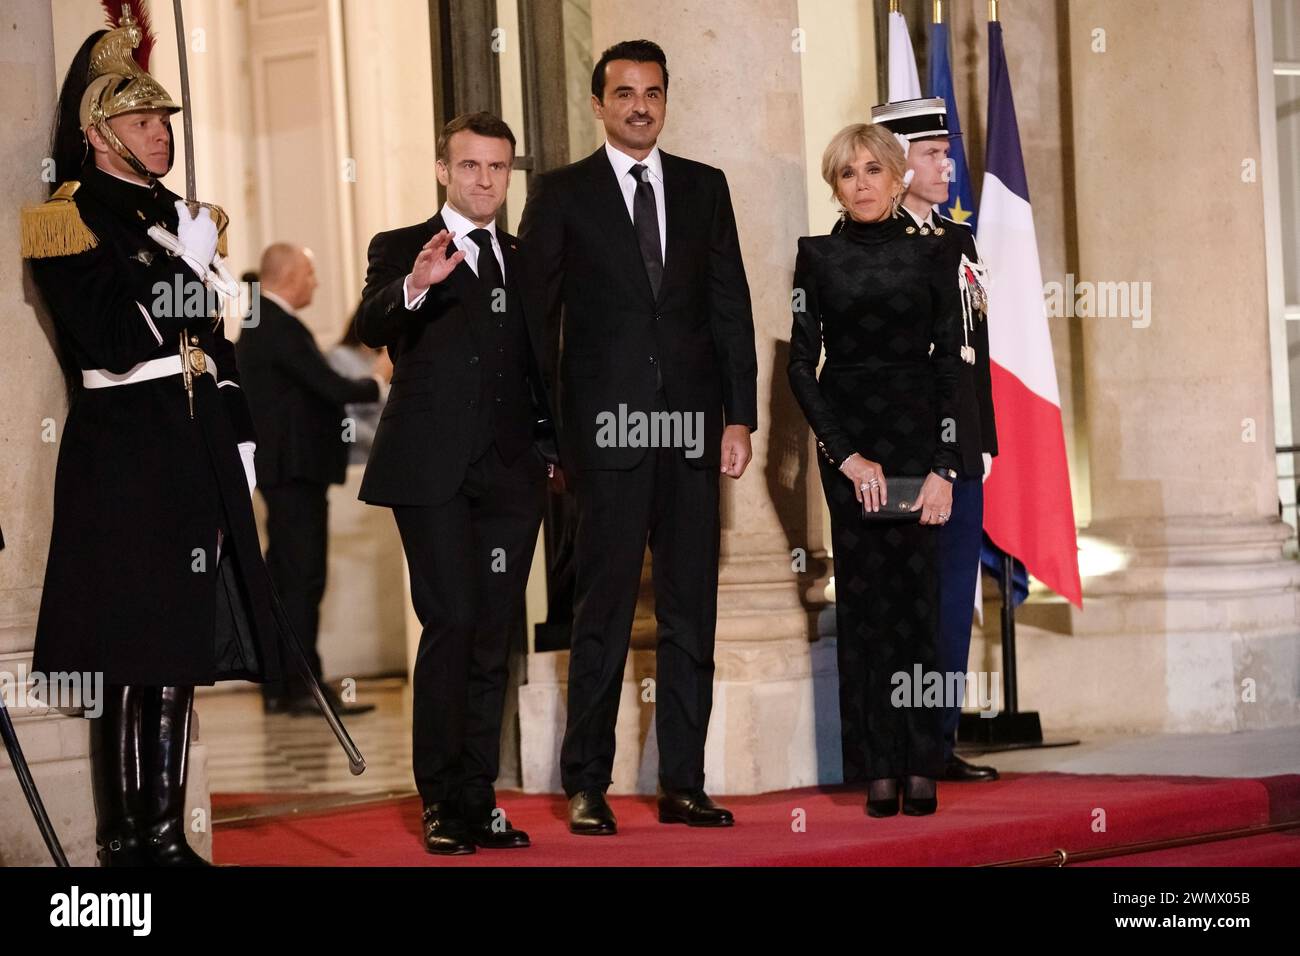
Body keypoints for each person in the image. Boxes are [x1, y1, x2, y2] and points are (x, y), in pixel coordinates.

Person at [21, 12, 282, 864]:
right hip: (124, 452)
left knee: (175, 650)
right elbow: (117, 338)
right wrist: (185, 265)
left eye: (164, 121)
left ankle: (166, 835)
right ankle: (126, 841)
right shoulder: (67, 218)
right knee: (126, 656)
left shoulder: (184, 218)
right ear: (98, 133)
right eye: (140, 122)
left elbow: (216, 348)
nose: (159, 135)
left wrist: (241, 437)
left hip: (191, 447)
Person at [519, 39, 758, 835]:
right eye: (624, 93)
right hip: (607, 435)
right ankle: (587, 781)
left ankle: (683, 783)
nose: (640, 106)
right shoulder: (561, 195)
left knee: (693, 611)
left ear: (665, 99)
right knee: (604, 611)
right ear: (598, 104)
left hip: (692, 429)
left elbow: (731, 307)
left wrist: (738, 416)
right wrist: (549, 433)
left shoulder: (704, 188)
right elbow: (534, 322)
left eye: (652, 92)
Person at [355, 112, 560, 855]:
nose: (484, 180)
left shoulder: (525, 258)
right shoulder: (401, 247)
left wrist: (549, 451)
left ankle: (480, 800)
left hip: (511, 476)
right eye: (470, 166)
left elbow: (545, 362)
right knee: (452, 621)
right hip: (430, 472)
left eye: (497, 168)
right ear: (444, 170)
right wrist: (416, 282)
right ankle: (439, 800)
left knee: (492, 635)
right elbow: (369, 321)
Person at [787, 123, 962, 817]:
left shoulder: (936, 254)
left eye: (871, 170)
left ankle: (920, 760)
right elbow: (803, 365)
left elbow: (951, 360)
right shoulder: (816, 256)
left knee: (917, 603)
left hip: (921, 444)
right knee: (864, 609)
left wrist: (947, 465)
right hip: (851, 446)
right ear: (835, 185)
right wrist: (844, 452)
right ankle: (875, 764)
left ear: (897, 179)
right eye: (846, 173)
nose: (860, 183)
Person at [869, 97, 1001, 783]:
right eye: (930, 153)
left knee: (951, 599)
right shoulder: (872, 243)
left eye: (945, 151)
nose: (946, 162)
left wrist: (982, 444)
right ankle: (903, 746)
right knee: (907, 605)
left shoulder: (957, 240)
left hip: (962, 454)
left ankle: (939, 741)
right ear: (896, 165)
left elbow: (973, 349)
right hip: (909, 457)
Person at [235, 243, 384, 716]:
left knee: (290, 578)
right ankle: (301, 686)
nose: (316, 284)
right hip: (293, 474)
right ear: (290, 277)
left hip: (290, 474)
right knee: (301, 579)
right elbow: (328, 386)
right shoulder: (274, 325)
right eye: (311, 273)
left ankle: (286, 685)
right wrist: (378, 381)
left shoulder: (267, 323)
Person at [327, 310, 392, 465]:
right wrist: (379, 441)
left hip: (386, 452)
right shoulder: (340, 356)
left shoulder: (381, 358)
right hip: (357, 456)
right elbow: (345, 417)